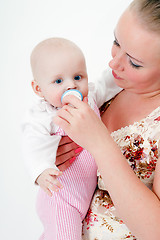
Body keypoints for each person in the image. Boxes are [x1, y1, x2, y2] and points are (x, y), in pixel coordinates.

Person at [54, 0, 160, 239]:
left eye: (134, 62)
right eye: (116, 42)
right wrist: (50, 162)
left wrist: (100, 143)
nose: (114, 63)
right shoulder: (107, 89)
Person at [22, 37, 121, 240]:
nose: (71, 85)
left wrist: (119, 74)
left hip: (84, 196)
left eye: (78, 77)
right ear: (38, 89)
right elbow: (33, 141)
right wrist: (41, 170)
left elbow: (107, 84)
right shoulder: (45, 113)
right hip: (61, 199)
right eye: (58, 81)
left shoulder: (89, 98)